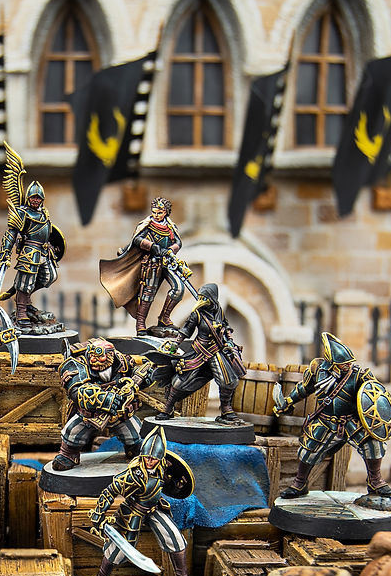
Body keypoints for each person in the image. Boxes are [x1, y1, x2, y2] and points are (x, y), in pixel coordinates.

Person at [273, 332, 391, 507]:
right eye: (343, 364)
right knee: (308, 449)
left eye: (349, 363)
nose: (348, 365)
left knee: (373, 444)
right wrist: (289, 401)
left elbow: (374, 395)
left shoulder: (358, 375)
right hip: (325, 421)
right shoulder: (319, 371)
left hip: (350, 422)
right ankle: (300, 483)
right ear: (332, 363)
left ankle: (375, 481)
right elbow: (304, 388)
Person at [89, 427, 208, 576]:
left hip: (153, 509)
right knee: (118, 550)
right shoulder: (133, 475)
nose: (150, 461)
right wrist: (98, 515)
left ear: (160, 458)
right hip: (133, 512)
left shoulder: (162, 469)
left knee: (175, 539)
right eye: (147, 457)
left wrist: (177, 487)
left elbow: (165, 488)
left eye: (153, 458)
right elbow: (109, 492)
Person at [53, 338, 161, 471]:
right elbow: (76, 391)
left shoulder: (122, 362)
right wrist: (104, 399)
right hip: (89, 414)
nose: (94, 360)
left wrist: (146, 378)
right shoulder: (78, 364)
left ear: (111, 355)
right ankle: (68, 454)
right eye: (91, 356)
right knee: (72, 434)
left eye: (99, 357)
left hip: (120, 412)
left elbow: (135, 377)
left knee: (134, 435)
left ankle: (133, 450)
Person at [0, 145, 65, 332]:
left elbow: (49, 232)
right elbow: (11, 233)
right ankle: (21, 311)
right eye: (33, 197)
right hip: (29, 253)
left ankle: (25, 301)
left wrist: (52, 246)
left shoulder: (44, 213)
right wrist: (5, 254)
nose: (35, 200)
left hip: (44, 251)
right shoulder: (22, 213)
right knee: (25, 282)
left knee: (49, 277)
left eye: (38, 198)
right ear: (28, 198)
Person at [158, 282, 247, 424]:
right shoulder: (197, 314)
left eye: (204, 298)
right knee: (180, 380)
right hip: (199, 351)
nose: (201, 301)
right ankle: (168, 408)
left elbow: (226, 328)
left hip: (216, 351)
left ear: (211, 298)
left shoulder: (219, 312)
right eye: (200, 297)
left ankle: (226, 409)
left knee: (228, 380)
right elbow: (186, 330)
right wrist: (176, 344)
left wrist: (229, 342)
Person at [98, 196, 189, 335]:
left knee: (178, 288)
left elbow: (178, 242)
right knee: (148, 293)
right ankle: (140, 323)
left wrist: (171, 250)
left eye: (159, 212)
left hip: (167, 261)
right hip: (152, 263)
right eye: (154, 212)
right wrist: (151, 246)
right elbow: (137, 239)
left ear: (165, 212)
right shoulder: (148, 225)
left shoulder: (170, 226)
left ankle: (164, 318)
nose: (156, 215)